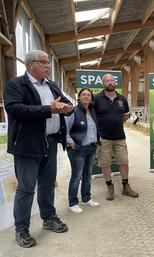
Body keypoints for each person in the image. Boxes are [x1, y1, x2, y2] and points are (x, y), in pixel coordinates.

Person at [4, 49, 73, 248]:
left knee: (47, 184)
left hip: (50, 143)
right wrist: (48, 109)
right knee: (26, 189)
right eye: (43, 62)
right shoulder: (16, 84)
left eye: (48, 63)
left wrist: (67, 109)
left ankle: (49, 218)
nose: (47, 66)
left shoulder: (52, 85)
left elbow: (65, 103)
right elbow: (15, 108)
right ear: (31, 64)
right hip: (27, 145)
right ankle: (22, 229)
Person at [93, 74, 138, 200]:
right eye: (107, 81)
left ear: (115, 82)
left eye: (112, 80)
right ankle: (109, 186)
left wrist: (116, 124)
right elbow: (92, 116)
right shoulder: (97, 99)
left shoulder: (122, 99)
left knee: (124, 161)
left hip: (119, 137)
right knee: (105, 163)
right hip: (103, 138)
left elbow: (125, 116)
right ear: (103, 83)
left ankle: (125, 186)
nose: (110, 83)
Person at [65, 88, 100, 214]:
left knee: (87, 175)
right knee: (77, 176)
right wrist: (71, 142)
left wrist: (97, 141)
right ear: (79, 97)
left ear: (91, 98)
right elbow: (65, 129)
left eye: (88, 95)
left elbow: (95, 128)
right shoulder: (73, 111)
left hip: (91, 147)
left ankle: (86, 198)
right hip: (78, 149)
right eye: (83, 95)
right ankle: (73, 203)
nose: (86, 97)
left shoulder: (92, 111)